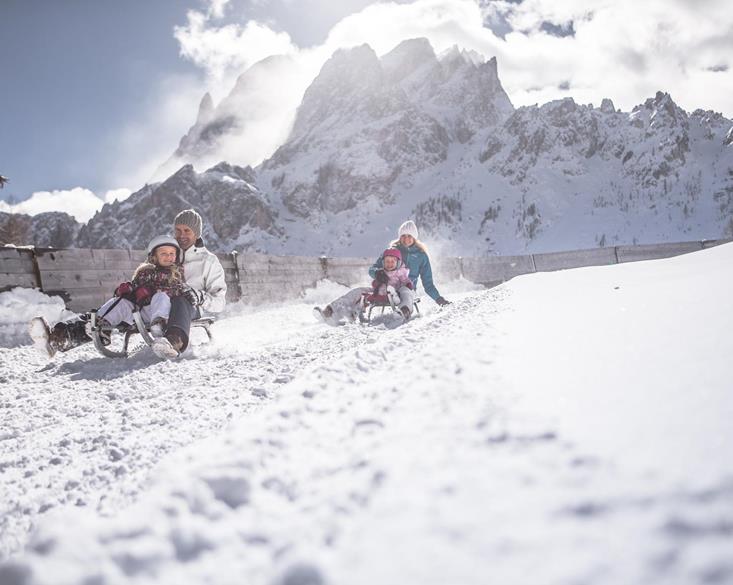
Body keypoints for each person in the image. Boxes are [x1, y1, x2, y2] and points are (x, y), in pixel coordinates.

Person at [314, 220, 450, 325]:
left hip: (405, 288)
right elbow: (372, 269)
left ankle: (403, 312)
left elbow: (428, 283)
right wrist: (377, 273)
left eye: (409, 236)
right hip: (384, 287)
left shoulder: (421, 256)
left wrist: (439, 299)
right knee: (359, 291)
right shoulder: (392, 251)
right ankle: (330, 312)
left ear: (414, 238)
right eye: (403, 236)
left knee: (406, 292)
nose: (406, 239)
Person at [150, 209, 227, 359]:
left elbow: (219, 302)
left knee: (181, 299)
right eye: (178, 230)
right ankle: (101, 324)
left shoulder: (208, 261)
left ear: (197, 233)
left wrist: (199, 296)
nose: (182, 235)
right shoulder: (167, 254)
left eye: (187, 230)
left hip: (191, 306)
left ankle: (174, 341)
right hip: (161, 302)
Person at [96, 235, 186, 338]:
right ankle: (102, 325)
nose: (168, 257)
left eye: (171, 253)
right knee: (122, 302)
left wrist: (153, 291)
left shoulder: (177, 273)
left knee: (160, 296)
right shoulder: (145, 271)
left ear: (176, 255)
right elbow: (135, 288)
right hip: (143, 312)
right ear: (154, 256)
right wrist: (128, 290)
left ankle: (159, 325)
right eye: (163, 254)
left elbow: (179, 291)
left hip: (166, 313)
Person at [370, 248, 415, 320]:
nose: (389, 264)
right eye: (387, 261)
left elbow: (405, 280)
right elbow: (375, 283)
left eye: (392, 261)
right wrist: (377, 280)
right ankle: (349, 307)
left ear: (398, 263)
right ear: (383, 263)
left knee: (406, 291)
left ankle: (404, 310)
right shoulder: (381, 273)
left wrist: (408, 284)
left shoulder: (400, 272)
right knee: (362, 291)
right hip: (383, 293)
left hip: (398, 293)